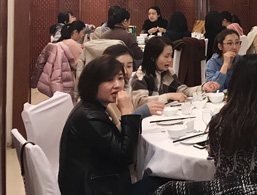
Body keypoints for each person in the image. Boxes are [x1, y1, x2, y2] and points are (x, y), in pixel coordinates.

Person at [58, 55, 161, 195]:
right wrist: (127, 112)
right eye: (109, 80)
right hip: (95, 188)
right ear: (93, 84)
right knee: (166, 181)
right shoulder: (89, 117)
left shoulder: (91, 106)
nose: (118, 85)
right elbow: (126, 157)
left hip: (100, 180)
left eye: (120, 78)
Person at [131, 36, 217, 108]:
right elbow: (139, 102)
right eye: (166, 56)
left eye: (171, 56)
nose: (170, 60)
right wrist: (168, 96)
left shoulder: (168, 72)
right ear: (153, 58)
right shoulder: (142, 75)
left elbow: (183, 91)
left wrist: (203, 88)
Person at [102, 44, 165, 123]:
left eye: (129, 66)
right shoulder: (108, 95)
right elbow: (120, 128)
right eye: (120, 66)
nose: (125, 71)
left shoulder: (131, 85)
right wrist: (141, 112)